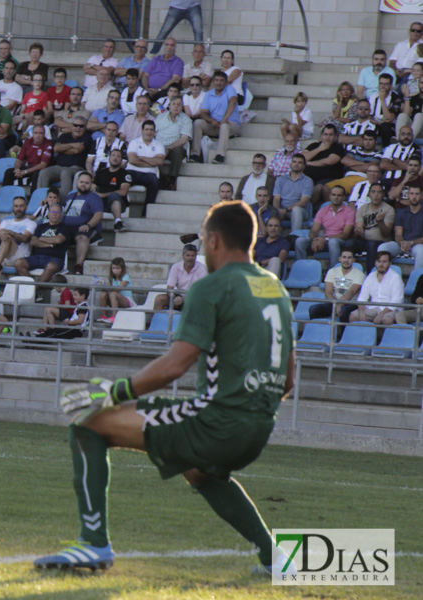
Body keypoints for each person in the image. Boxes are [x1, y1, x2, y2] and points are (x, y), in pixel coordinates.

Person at [40, 200, 292, 577]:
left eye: (205, 240)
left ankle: (93, 545)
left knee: (90, 423)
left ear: (215, 240)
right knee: (198, 471)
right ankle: (276, 560)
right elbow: (288, 381)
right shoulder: (275, 289)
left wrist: (115, 391)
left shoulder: (211, 287)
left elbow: (175, 365)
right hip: (259, 427)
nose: (204, 247)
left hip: (219, 421)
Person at [192, 71, 240, 164]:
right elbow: (203, 113)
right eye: (216, 80)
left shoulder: (230, 89)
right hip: (215, 125)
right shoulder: (209, 94)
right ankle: (195, 155)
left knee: (224, 125)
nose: (219, 82)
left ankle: (220, 156)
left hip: (231, 125)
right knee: (197, 123)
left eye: (222, 80)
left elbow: (233, 102)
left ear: (226, 82)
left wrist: (225, 119)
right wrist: (211, 120)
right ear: (213, 82)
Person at [38, 116, 93, 194]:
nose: (78, 128)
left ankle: (64, 202)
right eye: (75, 125)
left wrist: (62, 149)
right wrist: (73, 145)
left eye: (81, 126)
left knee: (65, 172)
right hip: (59, 166)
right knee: (43, 172)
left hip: (77, 168)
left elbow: (77, 150)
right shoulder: (65, 136)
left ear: (85, 127)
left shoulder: (87, 138)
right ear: (72, 126)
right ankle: (42, 200)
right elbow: (56, 148)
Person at [309, 248, 365, 322]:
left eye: (349, 258)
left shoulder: (359, 274)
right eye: (344, 257)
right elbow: (328, 292)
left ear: (353, 260)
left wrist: (340, 305)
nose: (346, 260)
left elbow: (351, 293)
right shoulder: (332, 271)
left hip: (350, 303)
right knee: (314, 309)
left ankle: (343, 333)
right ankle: (319, 332)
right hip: (334, 302)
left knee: (343, 311)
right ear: (340, 259)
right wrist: (336, 304)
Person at [349, 251, 404, 325]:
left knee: (387, 319)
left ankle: (387, 337)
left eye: (384, 262)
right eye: (379, 261)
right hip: (372, 307)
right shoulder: (370, 276)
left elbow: (396, 302)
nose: (381, 264)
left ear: (390, 263)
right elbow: (362, 298)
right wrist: (361, 312)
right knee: (353, 316)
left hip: (390, 309)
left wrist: (381, 314)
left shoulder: (395, 278)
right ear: (375, 263)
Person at [153, 243, 207, 313]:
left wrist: (183, 299)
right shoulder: (176, 267)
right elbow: (170, 288)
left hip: (195, 298)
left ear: (196, 257)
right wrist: (175, 298)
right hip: (178, 296)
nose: (190, 258)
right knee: (159, 299)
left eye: (193, 256)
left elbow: (202, 291)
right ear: (183, 256)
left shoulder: (202, 268)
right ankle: (156, 322)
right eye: (188, 255)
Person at [125, 120, 164, 216]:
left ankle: (146, 212)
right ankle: (123, 209)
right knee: (123, 180)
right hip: (132, 172)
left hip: (149, 175)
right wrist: (151, 162)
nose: (149, 132)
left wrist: (141, 157)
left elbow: (159, 162)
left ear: (154, 132)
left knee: (154, 182)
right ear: (142, 131)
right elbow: (132, 160)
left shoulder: (159, 145)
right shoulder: (134, 142)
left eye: (151, 130)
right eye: (146, 129)